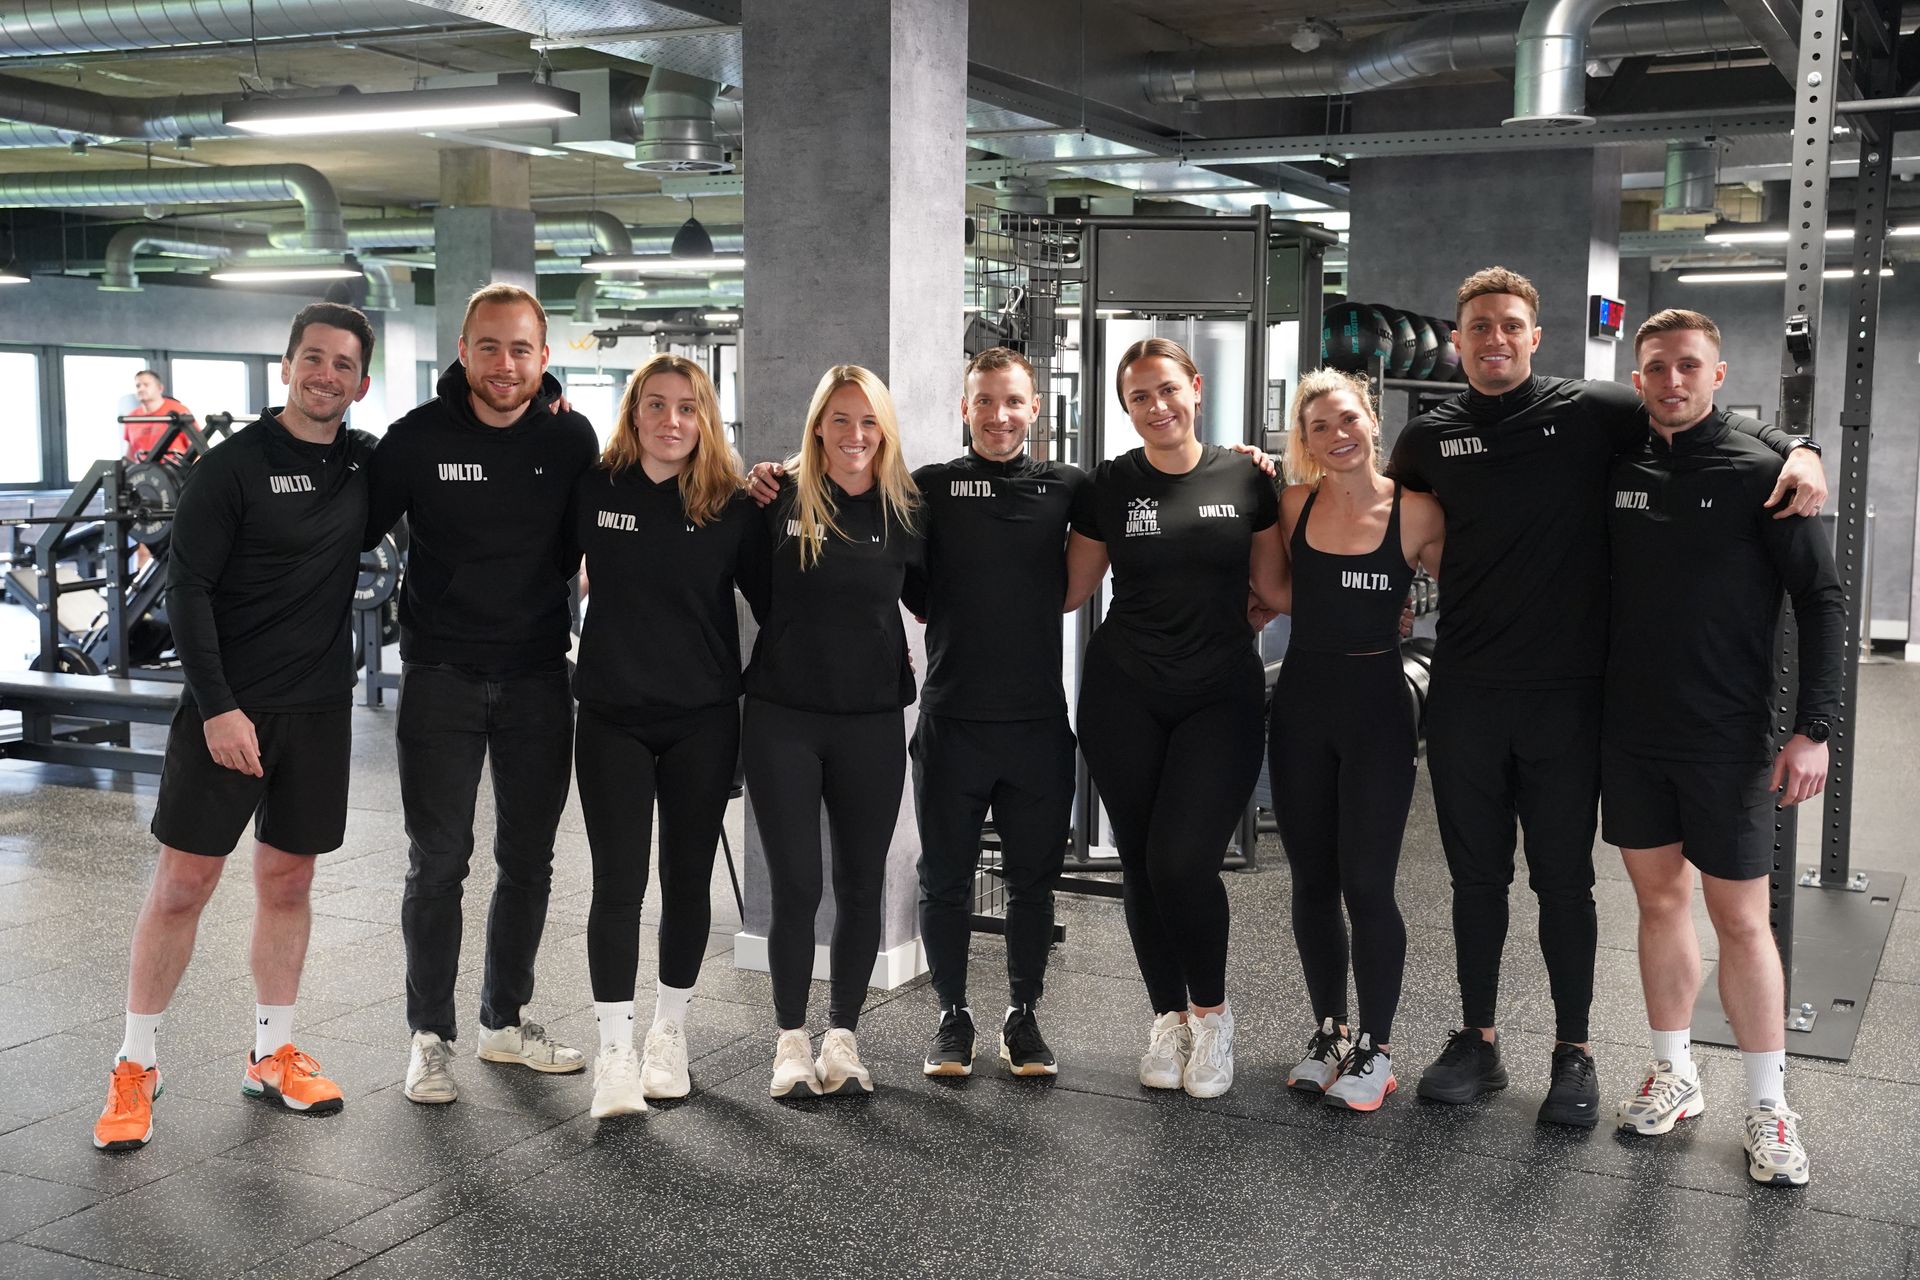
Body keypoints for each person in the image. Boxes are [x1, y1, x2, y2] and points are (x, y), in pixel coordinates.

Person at [1388, 266, 1828, 1127]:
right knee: (1475, 880)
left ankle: (1574, 1051)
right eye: (1479, 326)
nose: (1495, 339)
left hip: (1571, 698)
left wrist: (1800, 445)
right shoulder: (1426, 437)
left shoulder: (1593, 409)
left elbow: (1701, 414)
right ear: (1457, 337)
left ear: (1535, 334)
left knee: (1564, 883)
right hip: (1469, 691)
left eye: (1510, 324)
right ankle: (1478, 1040)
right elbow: (1382, 510)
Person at [93, 304, 378, 1151]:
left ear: (362, 383)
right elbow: (188, 591)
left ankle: (271, 1051)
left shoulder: (364, 465)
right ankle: (136, 1062)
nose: (326, 375)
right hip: (229, 710)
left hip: (318, 711)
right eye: (313, 358)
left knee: (288, 882)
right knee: (184, 885)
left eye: (343, 364)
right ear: (287, 366)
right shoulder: (231, 467)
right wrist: (218, 706)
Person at [1606, 309, 1842, 1185]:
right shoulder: (1616, 463)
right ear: (1637, 377)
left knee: (1741, 918)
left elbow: (1822, 599)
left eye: (1688, 365)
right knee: (1659, 903)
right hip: (1632, 730)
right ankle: (1674, 1071)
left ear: (1718, 375)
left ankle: (1770, 1106)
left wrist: (1815, 728)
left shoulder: (1763, 472)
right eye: (1656, 366)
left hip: (1729, 732)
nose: (1672, 380)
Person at [364, 283, 599, 1105]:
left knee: (528, 860)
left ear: (544, 357)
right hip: (442, 678)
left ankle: (505, 1021)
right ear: (463, 352)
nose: (505, 364)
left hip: (538, 675)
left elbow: (618, 523)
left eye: (521, 348)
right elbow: (345, 529)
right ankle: (429, 1037)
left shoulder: (570, 438)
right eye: (489, 347)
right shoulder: (416, 439)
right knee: (438, 862)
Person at [1063, 336, 1287, 1100]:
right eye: (1139, 397)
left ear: (1195, 387)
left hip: (1218, 694)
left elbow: (1274, 587)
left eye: (1166, 389)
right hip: (1123, 693)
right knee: (1140, 861)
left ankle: (1213, 1018)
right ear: (1126, 409)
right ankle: (1168, 1018)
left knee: (1182, 861)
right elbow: (1069, 590)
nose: (1156, 406)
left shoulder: (1247, 477)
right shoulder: (1110, 485)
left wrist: (1374, 605)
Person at [572, 354, 764, 1118]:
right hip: (611, 717)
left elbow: (782, 606)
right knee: (618, 886)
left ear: (705, 417)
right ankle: (615, 1051)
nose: (671, 420)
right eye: (655, 404)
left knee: (688, 882)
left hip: (702, 721)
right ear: (634, 412)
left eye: (687, 407)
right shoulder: (595, 488)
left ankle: (669, 1032)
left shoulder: (733, 505)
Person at [899, 347, 1085, 1079]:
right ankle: (953, 1016)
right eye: (984, 401)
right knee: (944, 878)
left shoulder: (1068, 487)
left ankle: (1022, 1015)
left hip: (1037, 725)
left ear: (1035, 407)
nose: (998, 415)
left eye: (1012, 401)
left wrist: (1250, 463)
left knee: (1032, 883)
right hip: (953, 721)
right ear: (965, 408)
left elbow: (1152, 498)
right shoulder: (931, 487)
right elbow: (911, 584)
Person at [738, 365, 923, 1099]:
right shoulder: (776, 496)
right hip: (783, 717)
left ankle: (842, 1036)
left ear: (885, 430)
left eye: (868, 420)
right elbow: (755, 590)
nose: (855, 434)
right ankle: (790, 1040)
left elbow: (932, 598)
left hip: (871, 721)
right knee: (795, 885)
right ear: (817, 425)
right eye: (840, 419)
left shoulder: (906, 509)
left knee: (859, 881)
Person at [1264, 369, 1443, 1112]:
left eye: (1347, 419)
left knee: (1367, 883)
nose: (1337, 436)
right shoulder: (1292, 504)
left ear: (1371, 418)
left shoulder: (1418, 510)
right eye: (1319, 428)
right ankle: (1329, 1032)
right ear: (1304, 443)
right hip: (1302, 704)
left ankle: (1377, 1046)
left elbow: (1473, 597)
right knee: (1312, 881)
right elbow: (1275, 590)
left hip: (1377, 709)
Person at [125, 369, 193, 462]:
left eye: (146, 385)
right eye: (138, 386)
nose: (141, 389)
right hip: (144, 469)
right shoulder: (132, 417)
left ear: (160, 388)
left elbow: (194, 445)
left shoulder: (179, 410)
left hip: (174, 468)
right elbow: (130, 454)